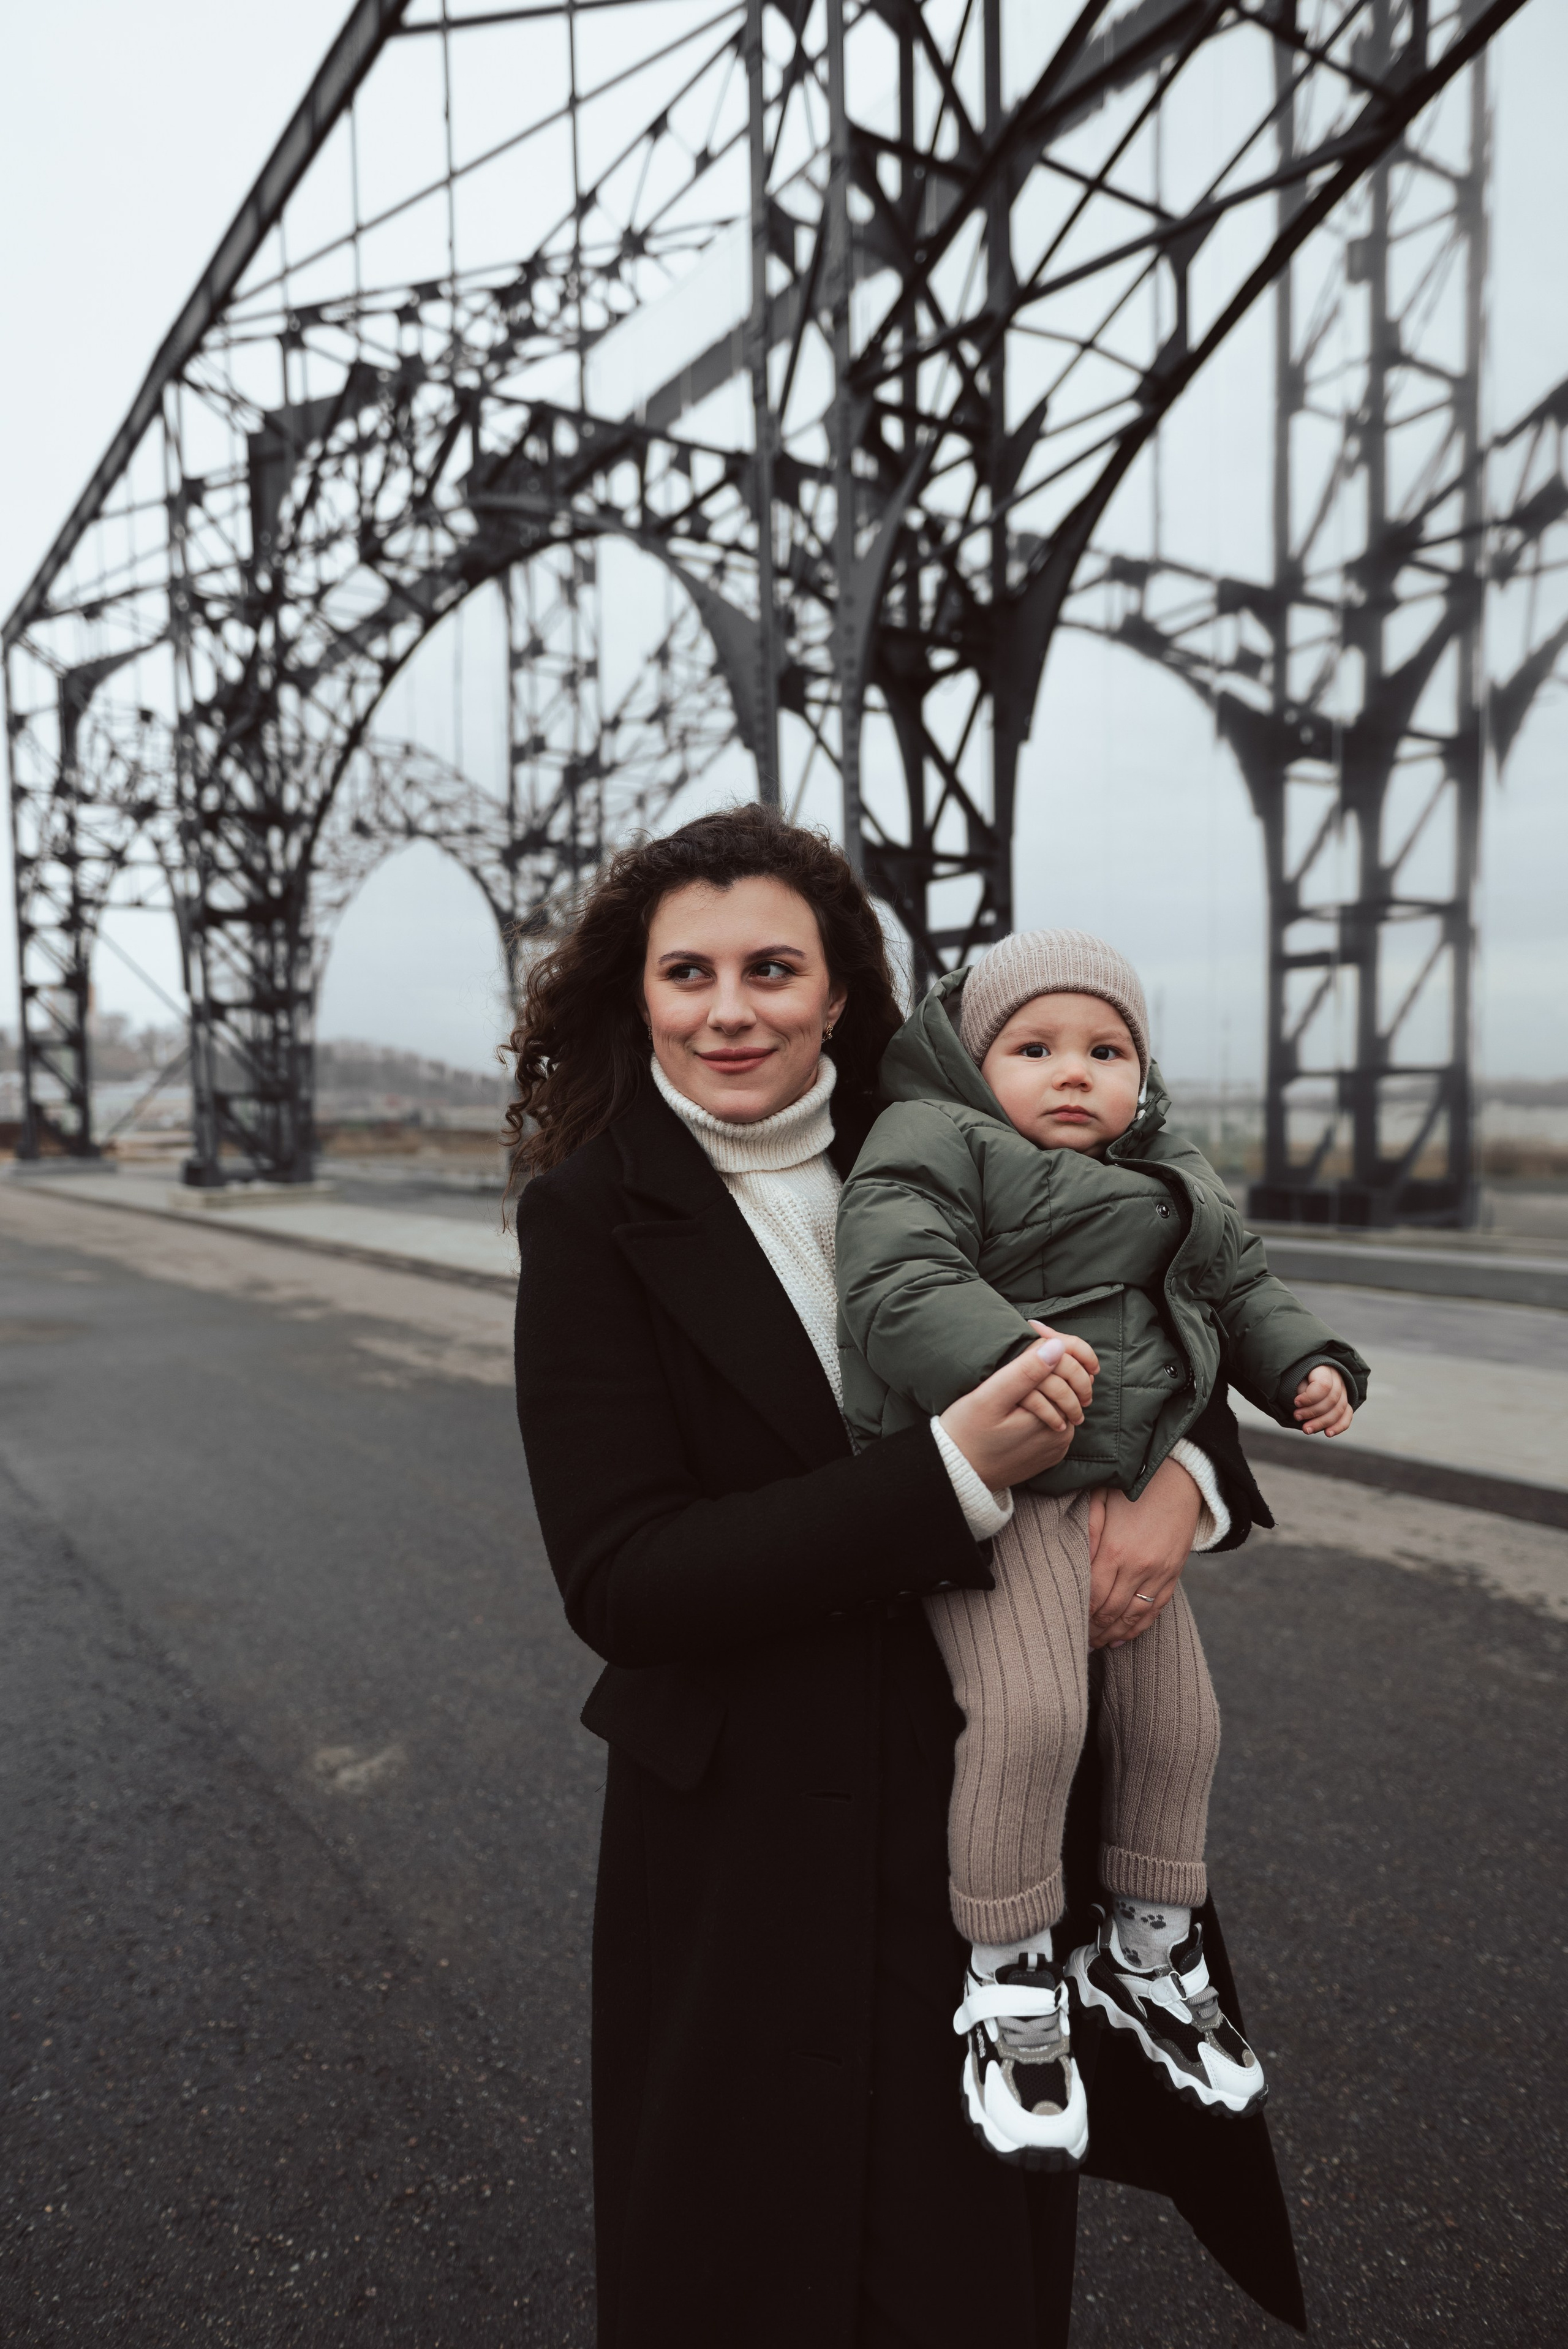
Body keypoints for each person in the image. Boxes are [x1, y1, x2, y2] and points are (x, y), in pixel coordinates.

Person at [511, 808, 1306, 2348]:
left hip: (985, 1783)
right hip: (745, 1832)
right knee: (751, 2254)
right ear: (637, 994)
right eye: (687, 973)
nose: (728, 1009)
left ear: (835, 989)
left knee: (972, 2254)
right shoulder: (594, 1218)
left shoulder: (967, 1133)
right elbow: (622, 1578)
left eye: (769, 969)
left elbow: (1171, 1287)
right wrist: (950, 1478)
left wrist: (1186, 1478)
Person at [834, 929, 1371, 2176]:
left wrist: (1306, 1365)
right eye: (1033, 1049)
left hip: (1128, 1482)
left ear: (1140, 1071)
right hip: (1004, 1485)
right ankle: (1010, 1978)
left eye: (1104, 1050)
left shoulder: (1166, 1166)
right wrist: (1004, 1362)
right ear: (972, 1067)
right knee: (1028, 1720)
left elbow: (1239, 1287)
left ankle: (1143, 1951)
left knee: (1181, 1729)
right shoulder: (931, 1141)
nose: (1072, 1073)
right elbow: (894, 1280)